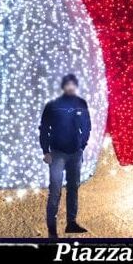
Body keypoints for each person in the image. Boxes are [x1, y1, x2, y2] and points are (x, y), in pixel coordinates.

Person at [39, 74, 91, 238]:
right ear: (63, 86)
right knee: (55, 190)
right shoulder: (52, 105)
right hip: (57, 153)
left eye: (73, 85)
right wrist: (45, 151)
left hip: (75, 153)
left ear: (76, 86)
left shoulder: (81, 104)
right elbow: (44, 129)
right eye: (67, 84)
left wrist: (82, 146)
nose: (70, 87)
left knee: (73, 189)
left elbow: (87, 126)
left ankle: (71, 223)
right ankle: (51, 228)